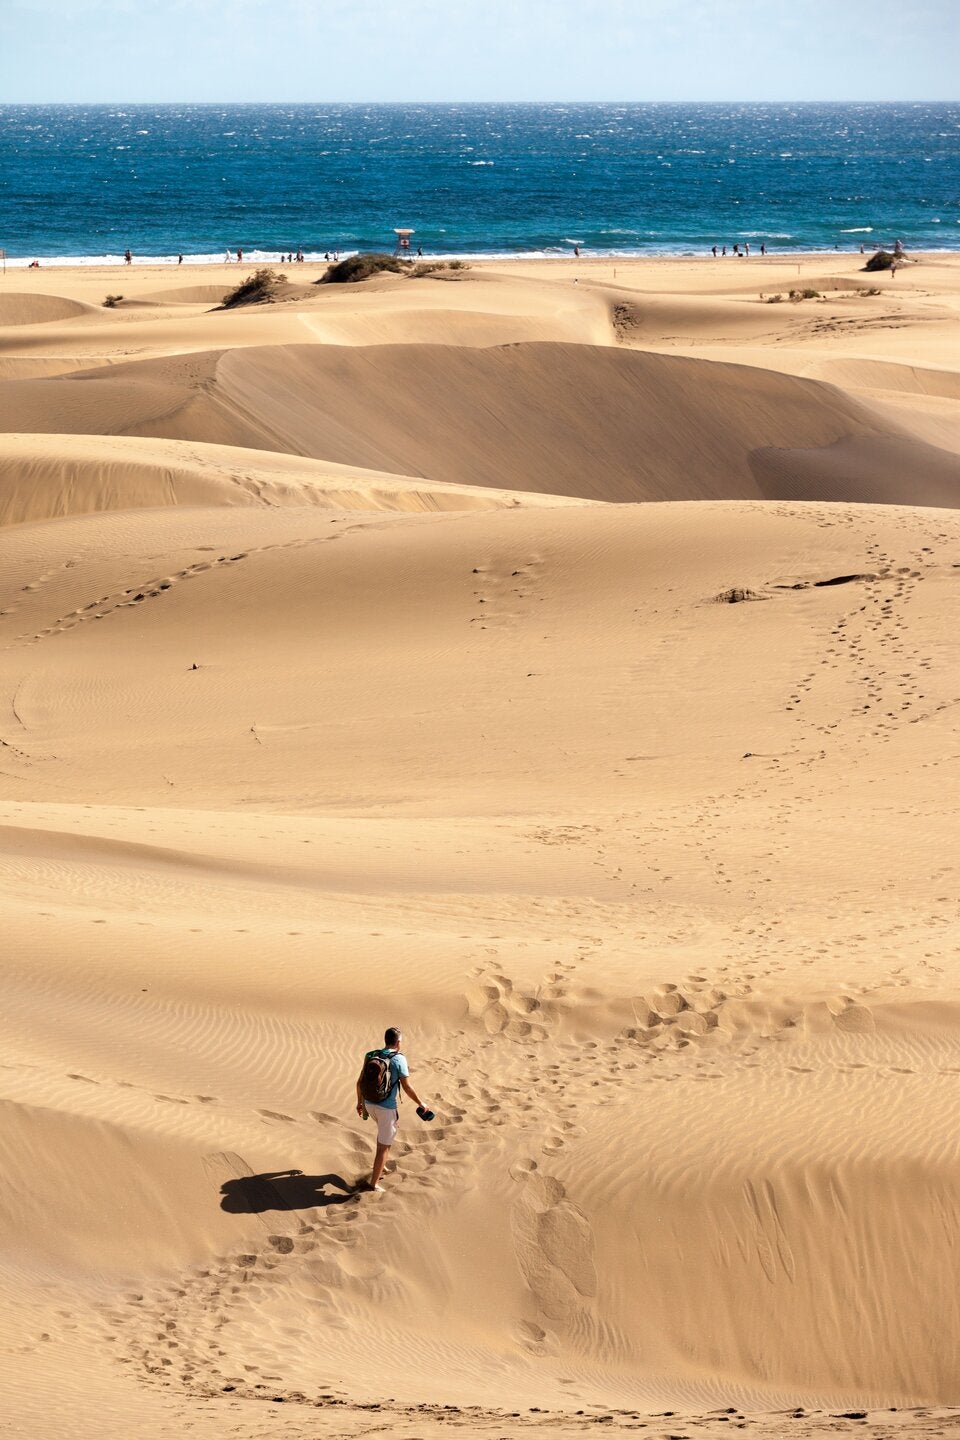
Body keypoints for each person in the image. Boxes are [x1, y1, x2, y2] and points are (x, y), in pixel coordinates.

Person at [356, 1026, 429, 1192]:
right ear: (398, 1042)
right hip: (385, 1108)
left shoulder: (373, 1055)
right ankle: (372, 1185)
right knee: (383, 1145)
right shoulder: (399, 1059)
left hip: (369, 1104)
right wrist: (421, 1103)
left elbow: (359, 1082)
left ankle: (382, 1167)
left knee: (386, 1136)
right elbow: (407, 1087)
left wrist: (359, 1103)